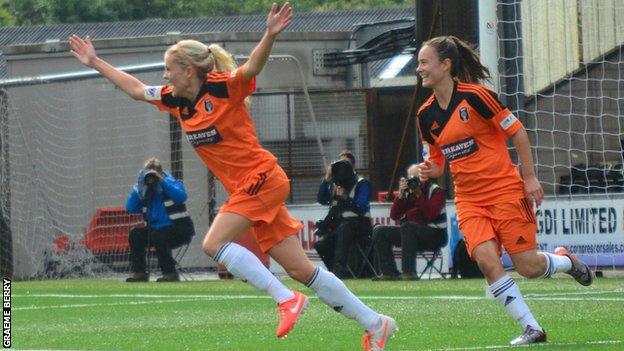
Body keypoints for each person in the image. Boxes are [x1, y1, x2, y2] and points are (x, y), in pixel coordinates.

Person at [69, 4, 396, 350]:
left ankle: (286, 299)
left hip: (263, 178)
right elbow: (136, 89)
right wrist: (95, 62)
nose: (164, 77)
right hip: (251, 189)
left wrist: (269, 33)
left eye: (169, 69)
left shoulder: (223, 88)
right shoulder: (175, 100)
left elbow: (252, 66)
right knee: (303, 270)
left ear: (189, 70)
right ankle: (376, 324)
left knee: (212, 244)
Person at [414, 35, 594, 345]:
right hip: (469, 200)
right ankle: (531, 327)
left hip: (504, 191)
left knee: (528, 266)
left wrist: (530, 177)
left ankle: (566, 261)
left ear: (446, 65)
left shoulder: (477, 97)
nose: (419, 69)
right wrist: (430, 170)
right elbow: (439, 163)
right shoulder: (425, 115)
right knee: (485, 260)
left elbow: (518, 131)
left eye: (424, 62)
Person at [125, 157, 195, 282]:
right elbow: (130, 208)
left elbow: (181, 197)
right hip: (156, 231)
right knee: (135, 234)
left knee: (159, 235)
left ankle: (170, 274)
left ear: (161, 172)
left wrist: (162, 181)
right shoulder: (144, 189)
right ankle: (139, 273)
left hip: (180, 230)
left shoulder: (171, 182)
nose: (152, 177)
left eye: (154, 173)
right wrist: (138, 188)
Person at [372, 164, 447, 281]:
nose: (413, 181)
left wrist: (418, 194)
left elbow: (431, 214)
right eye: (410, 178)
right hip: (410, 233)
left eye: (416, 178)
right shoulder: (407, 192)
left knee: (407, 226)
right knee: (380, 231)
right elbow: (394, 215)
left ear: (424, 177)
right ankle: (389, 272)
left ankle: (408, 272)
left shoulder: (437, 191)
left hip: (435, 234)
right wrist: (400, 196)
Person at [314, 151, 373, 278]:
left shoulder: (362, 183)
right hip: (340, 226)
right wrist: (327, 178)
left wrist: (345, 197)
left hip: (360, 226)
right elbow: (322, 199)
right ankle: (336, 274)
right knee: (321, 244)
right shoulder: (336, 183)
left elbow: (361, 208)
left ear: (353, 166)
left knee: (344, 228)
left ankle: (339, 272)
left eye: (345, 164)